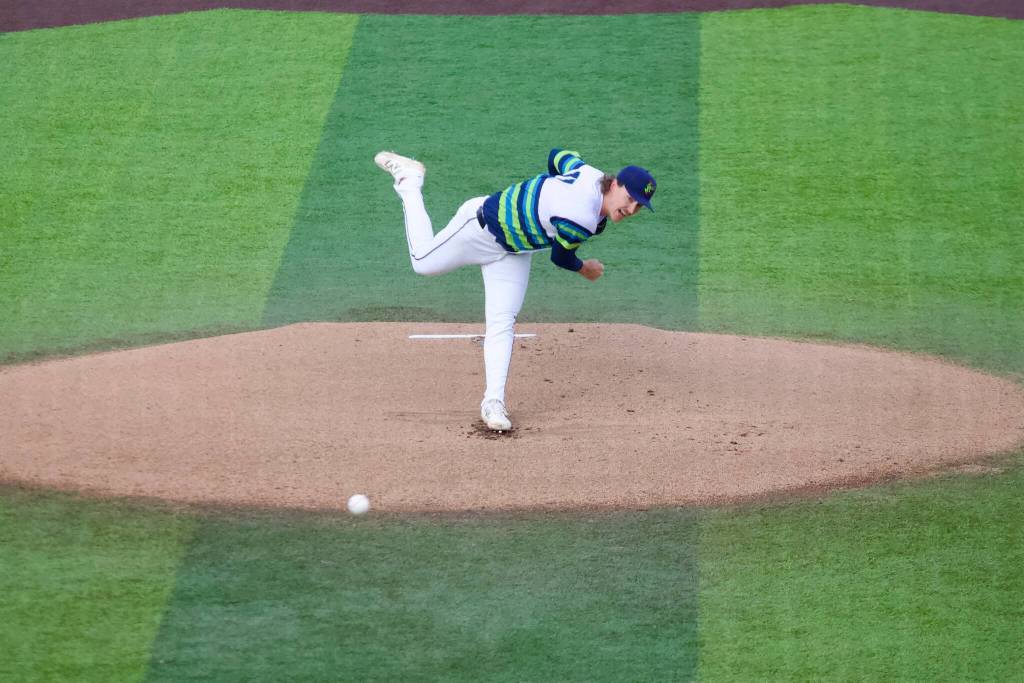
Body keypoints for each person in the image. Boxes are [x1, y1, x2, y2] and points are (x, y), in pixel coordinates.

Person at [374, 148, 656, 431]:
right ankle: (410, 182)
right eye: (630, 198)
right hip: (479, 229)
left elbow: (558, 155)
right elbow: (561, 257)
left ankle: (493, 403)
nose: (631, 209)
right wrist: (586, 268)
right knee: (423, 262)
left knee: (502, 321)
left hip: (515, 252)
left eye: (639, 205)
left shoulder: (586, 172)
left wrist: (546, 196)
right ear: (616, 183)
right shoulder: (580, 217)